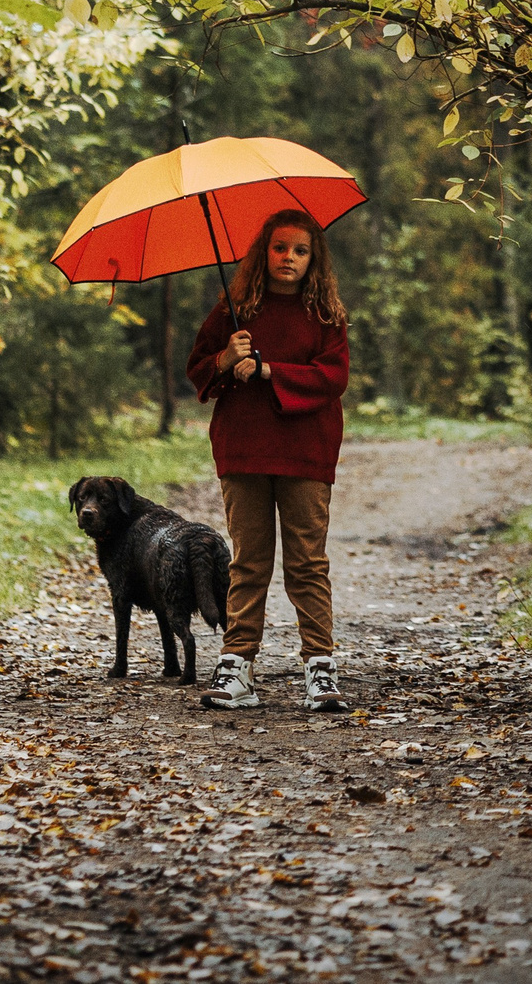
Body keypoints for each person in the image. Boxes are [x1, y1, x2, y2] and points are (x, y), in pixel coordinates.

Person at [186, 208, 351, 712]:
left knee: (307, 563)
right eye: (280, 248)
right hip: (244, 447)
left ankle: (319, 667)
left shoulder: (326, 315)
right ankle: (237, 667)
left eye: (300, 251)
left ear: (314, 259)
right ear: (264, 252)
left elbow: (333, 377)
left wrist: (267, 370)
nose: (289, 258)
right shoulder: (233, 310)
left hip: (306, 449)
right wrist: (226, 358)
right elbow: (198, 369)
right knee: (248, 562)